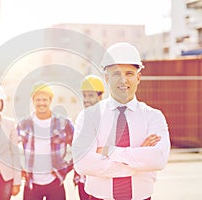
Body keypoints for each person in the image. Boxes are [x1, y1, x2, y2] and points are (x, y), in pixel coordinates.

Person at [73, 42, 171, 200]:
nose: (123, 80)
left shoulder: (153, 116)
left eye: (129, 73)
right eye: (116, 74)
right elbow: (83, 163)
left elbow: (158, 159)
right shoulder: (88, 117)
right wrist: (137, 159)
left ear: (138, 77)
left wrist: (109, 151)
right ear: (106, 78)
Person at [17, 83, 74, 200]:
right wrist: (19, 168)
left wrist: (65, 168)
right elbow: (9, 148)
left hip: (55, 182)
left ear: (50, 100)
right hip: (31, 183)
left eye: (44, 99)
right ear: (33, 101)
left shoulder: (63, 123)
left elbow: (79, 148)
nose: (41, 103)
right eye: (38, 100)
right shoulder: (24, 124)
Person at [73, 75, 104, 200]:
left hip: (102, 179)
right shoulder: (82, 118)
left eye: (90, 96)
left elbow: (109, 149)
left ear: (100, 96)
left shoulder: (108, 117)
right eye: (84, 96)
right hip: (83, 179)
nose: (86, 100)